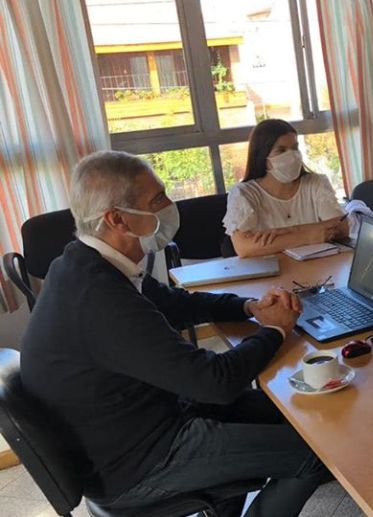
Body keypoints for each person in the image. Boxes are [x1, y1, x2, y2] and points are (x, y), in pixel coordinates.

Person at [20, 151, 330, 516]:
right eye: (157, 200)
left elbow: (176, 303)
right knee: (316, 453)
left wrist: (250, 307)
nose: (169, 206)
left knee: (289, 412)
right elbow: (215, 382)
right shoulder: (101, 297)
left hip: (139, 424)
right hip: (134, 464)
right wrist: (276, 329)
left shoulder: (85, 263)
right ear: (117, 219)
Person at [223, 118, 347, 257]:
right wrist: (308, 236)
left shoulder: (316, 183)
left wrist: (291, 230)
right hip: (271, 267)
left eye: (295, 148)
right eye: (281, 150)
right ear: (263, 157)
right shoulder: (243, 193)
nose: (292, 155)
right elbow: (244, 247)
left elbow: (341, 228)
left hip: (319, 265)